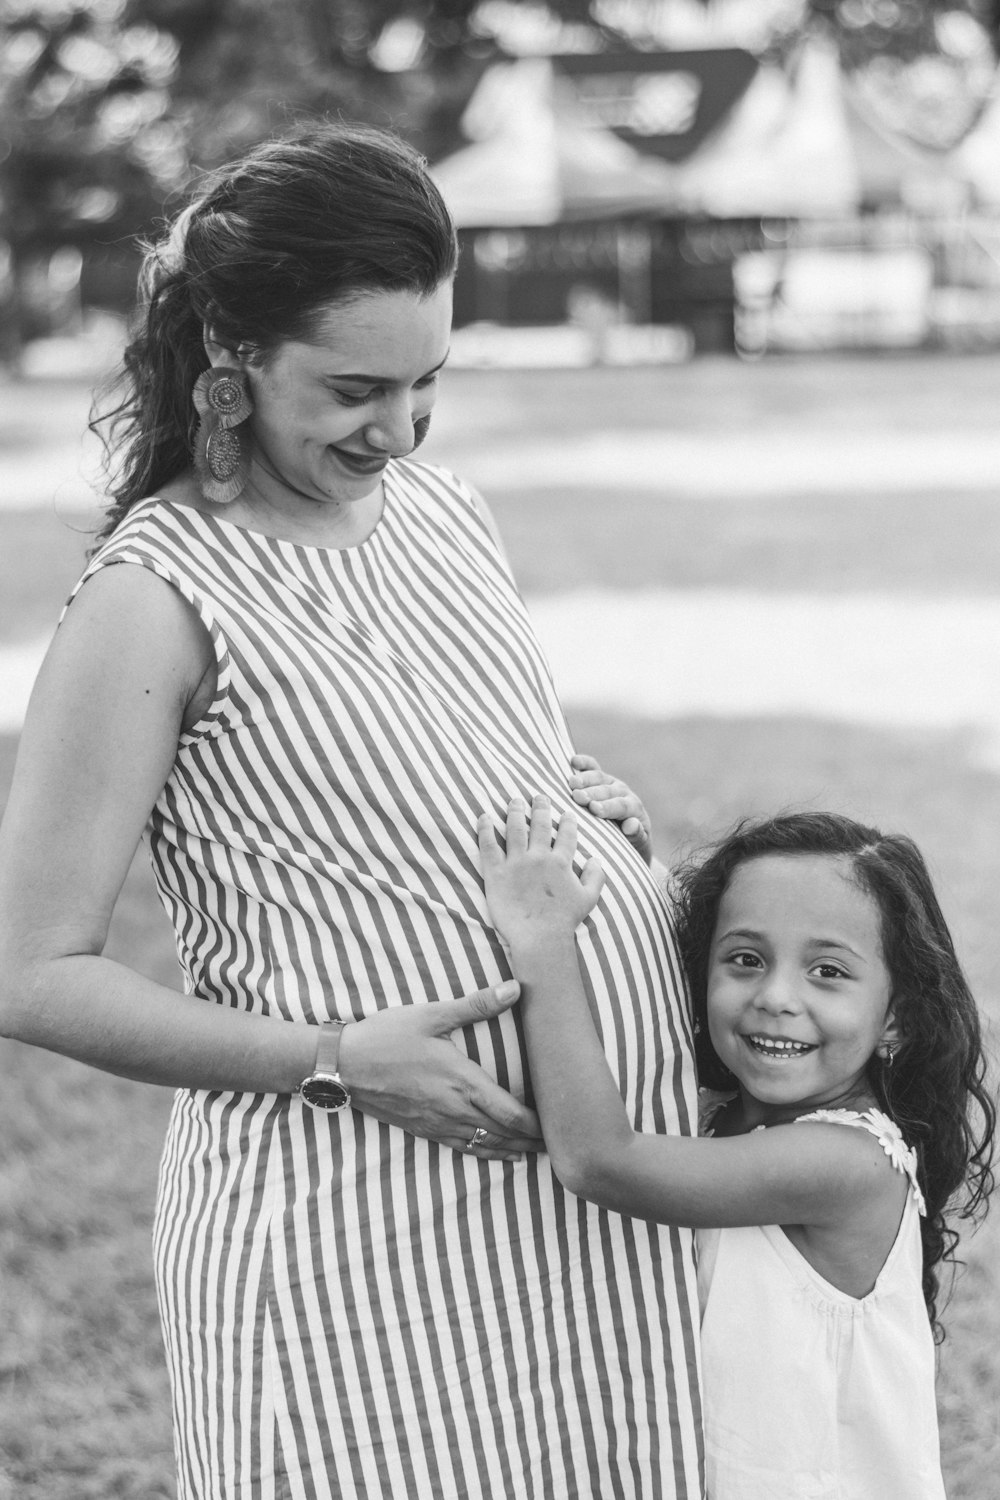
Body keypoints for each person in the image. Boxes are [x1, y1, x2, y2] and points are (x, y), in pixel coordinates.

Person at [0, 126, 703, 1498]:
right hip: (353, 1240)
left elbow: (435, 775)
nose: (401, 427)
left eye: (432, 378)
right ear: (231, 353)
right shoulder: (156, 598)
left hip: (579, 1230)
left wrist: (589, 815)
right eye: (356, 389)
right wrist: (335, 1054)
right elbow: (28, 972)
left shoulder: (445, 513)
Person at [478, 793, 996, 1500]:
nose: (776, 996)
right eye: (746, 959)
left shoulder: (847, 1162)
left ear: (896, 1017)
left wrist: (542, 938)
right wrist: (634, 862)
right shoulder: (725, 1117)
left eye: (829, 972)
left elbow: (598, 1158)